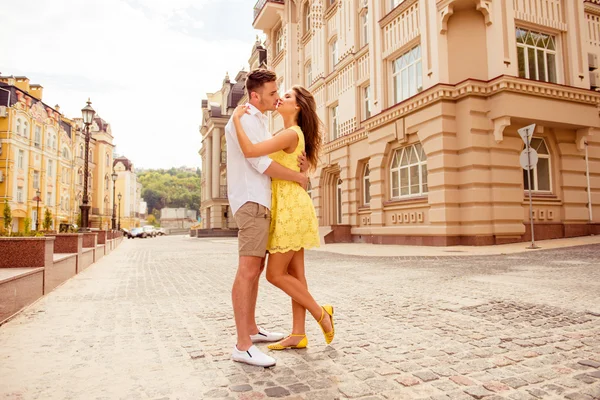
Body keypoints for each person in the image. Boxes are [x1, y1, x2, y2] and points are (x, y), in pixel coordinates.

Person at [231, 84, 335, 353]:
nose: (280, 98)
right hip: (288, 203)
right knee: (296, 275)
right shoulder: (287, 133)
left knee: (275, 274)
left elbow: (252, 151)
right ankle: (298, 334)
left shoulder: (290, 133)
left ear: (297, 107)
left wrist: (236, 122)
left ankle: (321, 314)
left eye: (286, 96)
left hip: (289, 206)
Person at [226, 69, 310, 368]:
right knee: (248, 269)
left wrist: (303, 163)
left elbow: (278, 151)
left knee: (257, 268)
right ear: (255, 96)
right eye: (273, 93)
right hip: (251, 200)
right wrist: (298, 176)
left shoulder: (260, 118)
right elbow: (259, 160)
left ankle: (251, 329)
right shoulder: (247, 117)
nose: (277, 97)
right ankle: (243, 345)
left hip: (262, 201)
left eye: (280, 93)